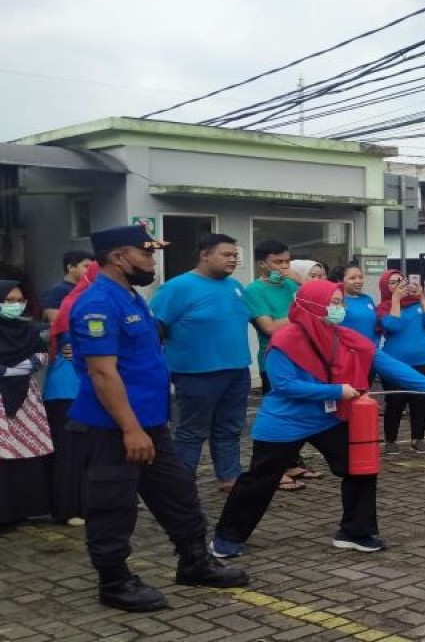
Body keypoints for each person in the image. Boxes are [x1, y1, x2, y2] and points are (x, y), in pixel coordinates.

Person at [68, 224, 246, 612]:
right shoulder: (98, 303)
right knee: (113, 505)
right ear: (119, 257)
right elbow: (102, 373)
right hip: (114, 428)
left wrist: (146, 426)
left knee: (178, 494)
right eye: (146, 253)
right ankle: (114, 582)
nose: (153, 261)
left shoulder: (131, 297)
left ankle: (194, 562)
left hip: (150, 423)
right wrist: (130, 429)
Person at [210, 280, 425, 558]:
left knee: (359, 470)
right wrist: (336, 391)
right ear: (313, 306)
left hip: (330, 418)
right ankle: (227, 536)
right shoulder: (284, 341)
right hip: (285, 422)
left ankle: (355, 532)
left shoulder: (346, 337)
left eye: (341, 303)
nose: (340, 309)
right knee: (260, 480)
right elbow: (285, 385)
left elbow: (388, 364)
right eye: (335, 303)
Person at [149, 234, 252, 494]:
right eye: (226, 254)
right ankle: (182, 483)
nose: (233, 259)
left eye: (235, 255)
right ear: (204, 255)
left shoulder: (234, 286)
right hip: (196, 373)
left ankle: (229, 477)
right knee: (192, 431)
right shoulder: (177, 287)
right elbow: (154, 328)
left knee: (230, 428)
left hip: (237, 369)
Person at [242, 239, 313, 491]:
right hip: (275, 360)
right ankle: (271, 471)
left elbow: (320, 304)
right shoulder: (254, 290)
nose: (283, 267)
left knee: (298, 413)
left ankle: (291, 463)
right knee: (278, 415)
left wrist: (302, 282)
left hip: (303, 357)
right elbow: (269, 327)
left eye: (287, 261)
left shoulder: (292, 284)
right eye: (277, 262)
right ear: (262, 264)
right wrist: (301, 314)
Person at [44, 263, 99, 526]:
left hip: (86, 387)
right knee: (71, 451)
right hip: (69, 389)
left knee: (89, 449)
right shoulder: (80, 306)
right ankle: (71, 507)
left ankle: (87, 504)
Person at [0, 279, 54, 526]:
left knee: (25, 450)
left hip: (26, 398)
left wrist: (8, 371)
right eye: (8, 300)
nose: (15, 305)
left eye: (19, 300)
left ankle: (22, 508)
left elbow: (41, 356)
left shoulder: (29, 330)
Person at [376, 269, 425, 454]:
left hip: (424, 359)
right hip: (395, 363)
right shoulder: (384, 307)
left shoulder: (417, 303)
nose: (398, 285)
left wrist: (422, 297)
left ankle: (418, 438)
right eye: (393, 282)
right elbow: (392, 326)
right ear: (385, 287)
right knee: (395, 401)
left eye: (401, 281)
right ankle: (391, 440)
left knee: (420, 401)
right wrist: (396, 300)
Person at [41, 250, 93, 323]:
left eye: (92, 267)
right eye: (86, 266)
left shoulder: (90, 289)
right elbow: (55, 320)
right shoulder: (57, 291)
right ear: (71, 267)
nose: (90, 270)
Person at [331, 262, 377, 344]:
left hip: (370, 349)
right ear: (340, 280)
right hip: (348, 349)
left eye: (360, 277)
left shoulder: (367, 299)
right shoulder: (337, 301)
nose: (358, 281)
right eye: (352, 278)